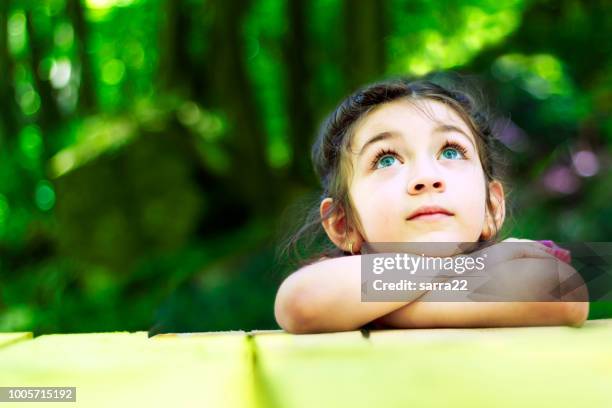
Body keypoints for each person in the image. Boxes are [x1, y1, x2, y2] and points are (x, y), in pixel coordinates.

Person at [274, 76, 588, 334]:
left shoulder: (521, 264)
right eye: (386, 159)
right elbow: (301, 301)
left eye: (451, 152)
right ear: (344, 225)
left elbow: (561, 289)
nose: (426, 178)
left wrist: (380, 312)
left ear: (492, 206)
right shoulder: (336, 279)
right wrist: (461, 267)